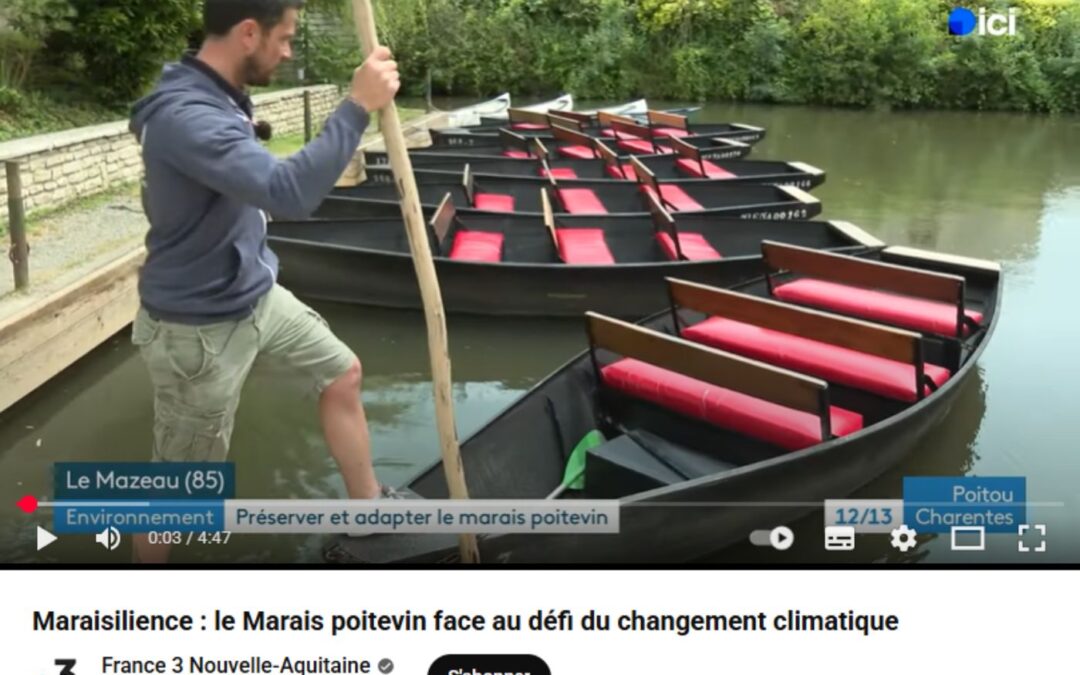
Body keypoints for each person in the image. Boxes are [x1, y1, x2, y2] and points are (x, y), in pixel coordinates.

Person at [128, 0, 400, 563]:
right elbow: (288, 194)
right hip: (198, 329)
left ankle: (367, 509)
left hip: (256, 297)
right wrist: (356, 108)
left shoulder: (216, 91)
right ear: (249, 33)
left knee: (341, 372)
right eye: (285, 38)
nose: (288, 50)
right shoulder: (186, 114)